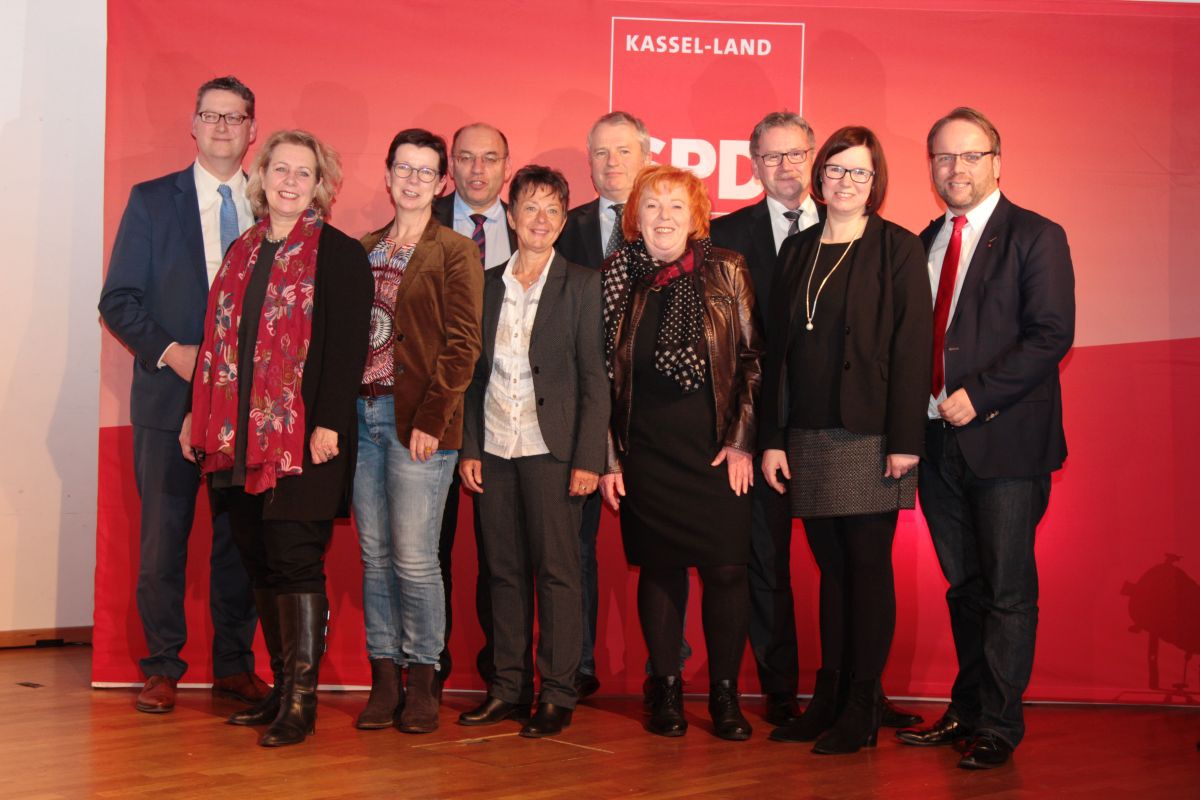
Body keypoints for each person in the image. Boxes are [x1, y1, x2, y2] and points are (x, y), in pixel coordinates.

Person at [895, 107, 1075, 770]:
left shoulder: (1036, 235)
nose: (956, 168)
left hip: (1006, 444)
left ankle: (999, 725)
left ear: (996, 162)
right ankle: (967, 710)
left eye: (970, 155)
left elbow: (1051, 334)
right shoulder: (923, 241)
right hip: (936, 442)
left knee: (1006, 590)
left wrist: (981, 394)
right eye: (944, 157)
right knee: (964, 587)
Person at [185, 129, 373, 747]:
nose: (290, 182)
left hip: (304, 439)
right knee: (258, 559)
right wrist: (195, 416)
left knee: (294, 560)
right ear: (261, 177)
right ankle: (279, 689)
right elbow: (215, 344)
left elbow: (347, 349)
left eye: (303, 173)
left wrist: (329, 424)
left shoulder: (339, 254)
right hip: (236, 438)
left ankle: (301, 702)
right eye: (280, 170)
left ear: (320, 185)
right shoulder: (240, 251)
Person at [759, 126, 932, 754]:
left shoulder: (897, 247)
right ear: (819, 177)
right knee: (831, 572)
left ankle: (862, 705)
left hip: (871, 436)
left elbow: (914, 348)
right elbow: (777, 350)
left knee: (866, 568)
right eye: (835, 169)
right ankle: (828, 698)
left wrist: (905, 439)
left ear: (875, 180)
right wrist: (773, 437)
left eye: (859, 171)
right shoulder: (798, 249)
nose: (846, 181)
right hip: (806, 434)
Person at [99, 75, 268, 714]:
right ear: (192, 125)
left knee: (239, 543)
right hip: (167, 397)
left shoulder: (273, 204)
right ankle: (162, 667)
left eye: (235, 117)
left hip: (249, 407)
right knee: (162, 543)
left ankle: (234, 667)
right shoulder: (151, 201)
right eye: (211, 115)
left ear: (252, 130)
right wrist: (175, 354)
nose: (222, 127)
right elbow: (118, 300)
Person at [599, 164, 761, 741]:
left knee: (726, 570)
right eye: (651, 206)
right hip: (646, 453)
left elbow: (751, 361)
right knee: (661, 569)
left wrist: (741, 441)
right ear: (634, 218)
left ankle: (724, 695)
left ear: (697, 218)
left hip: (716, 452)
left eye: (676, 206)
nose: (663, 217)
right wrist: (609, 457)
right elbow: (599, 374)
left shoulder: (728, 269)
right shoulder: (616, 277)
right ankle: (665, 687)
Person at [457, 165, 610, 737]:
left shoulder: (583, 284)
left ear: (563, 221)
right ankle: (508, 688)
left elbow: (595, 379)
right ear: (512, 216)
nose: (540, 220)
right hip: (496, 447)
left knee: (558, 574)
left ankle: (559, 692)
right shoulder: (486, 283)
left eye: (552, 210)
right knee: (502, 572)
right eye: (530, 208)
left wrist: (589, 460)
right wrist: (471, 447)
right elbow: (472, 376)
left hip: (555, 451)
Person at [353, 128, 484, 735]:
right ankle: (385, 678)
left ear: (441, 183)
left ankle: (424, 678)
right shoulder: (363, 248)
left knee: (414, 558)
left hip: (421, 426)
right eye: (403, 168)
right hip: (363, 418)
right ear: (387, 175)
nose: (412, 180)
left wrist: (432, 420)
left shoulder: (455, 251)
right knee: (374, 556)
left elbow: (463, 345)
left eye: (425, 171)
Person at [710, 111, 818, 726]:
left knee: (849, 568)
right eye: (772, 156)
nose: (785, 166)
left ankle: (857, 689)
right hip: (755, 427)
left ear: (813, 157)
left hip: (833, 426)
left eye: (795, 153)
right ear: (753, 165)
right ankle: (781, 690)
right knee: (766, 563)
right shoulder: (723, 235)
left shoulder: (851, 225)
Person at [556, 110, 654, 700]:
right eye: (600, 152)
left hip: (654, 416)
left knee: (663, 549)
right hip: (580, 415)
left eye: (622, 151)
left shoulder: (671, 223)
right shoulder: (563, 227)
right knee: (574, 549)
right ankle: (577, 664)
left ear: (646, 156)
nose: (611, 163)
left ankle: (666, 672)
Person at [431, 122, 518, 688]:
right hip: (434, 408)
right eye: (466, 157)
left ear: (507, 166)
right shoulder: (419, 221)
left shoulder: (532, 223)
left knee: (501, 555)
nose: (478, 169)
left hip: (507, 413)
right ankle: (428, 665)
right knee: (429, 550)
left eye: (490, 158)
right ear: (451, 165)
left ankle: (500, 673)